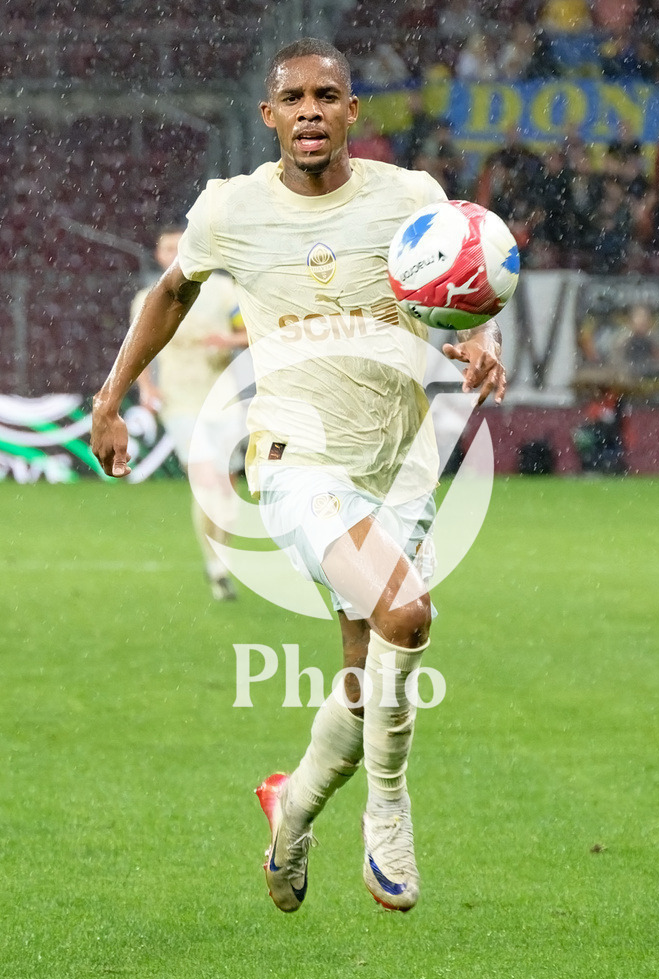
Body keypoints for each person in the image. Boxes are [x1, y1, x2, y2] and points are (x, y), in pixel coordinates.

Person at [90, 37, 506, 914]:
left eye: (328, 96)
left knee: (365, 678)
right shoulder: (231, 210)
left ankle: (292, 811)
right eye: (294, 98)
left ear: (354, 112)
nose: (311, 110)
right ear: (269, 115)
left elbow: (455, 295)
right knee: (407, 611)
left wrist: (478, 341)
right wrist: (112, 393)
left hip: (397, 463)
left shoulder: (409, 199)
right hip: (295, 458)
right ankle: (389, 811)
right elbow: (173, 293)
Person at [133, 225, 248, 600]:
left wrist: (226, 340)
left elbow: (251, 332)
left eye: (180, 246)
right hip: (178, 400)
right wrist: (147, 388)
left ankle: (220, 557)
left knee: (228, 492)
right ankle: (215, 567)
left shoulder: (224, 289)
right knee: (206, 481)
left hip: (222, 396)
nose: (175, 253)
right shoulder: (148, 298)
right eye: (168, 248)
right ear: (158, 255)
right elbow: (138, 350)